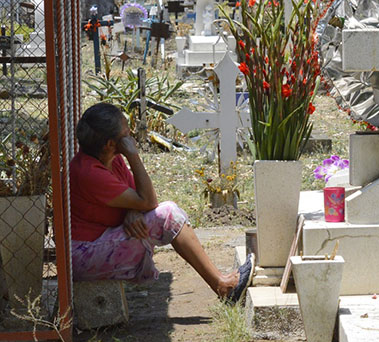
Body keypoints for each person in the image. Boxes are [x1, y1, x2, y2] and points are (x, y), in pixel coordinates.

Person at [70, 102, 254, 303]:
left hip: (104, 241)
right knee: (168, 215)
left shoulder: (113, 160)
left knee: (164, 214)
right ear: (110, 144)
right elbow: (149, 201)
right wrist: (133, 155)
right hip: (85, 256)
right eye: (126, 135)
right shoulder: (89, 172)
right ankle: (222, 286)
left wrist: (133, 210)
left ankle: (222, 283)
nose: (131, 137)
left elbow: (138, 197)